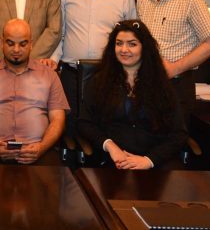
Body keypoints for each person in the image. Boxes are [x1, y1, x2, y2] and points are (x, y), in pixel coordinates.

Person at [48, 0, 137, 136]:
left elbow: (133, 40)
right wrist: (53, 60)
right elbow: (59, 32)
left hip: (109, 75)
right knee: (70, 126)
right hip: (72, 75)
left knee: (105, 126)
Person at [77, 20, 188, 169]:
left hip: (154, 163)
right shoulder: (98, 81)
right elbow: (85, 123)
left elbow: (178, 134)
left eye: (132, 44)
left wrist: (148, 160)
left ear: (144, 48)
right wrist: (110, 146)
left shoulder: (161, 84)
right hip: (113, 161)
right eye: (119, 43)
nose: (124, 49)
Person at [0, 19, 70, 165]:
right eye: (10, 43)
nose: (16, 50)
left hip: (38, 150)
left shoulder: (49, 76)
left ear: (31, 44)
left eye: (22, 44)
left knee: (55, 177)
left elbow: (58, 119)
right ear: (2, 43)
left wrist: (41, 147)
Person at [136, 0, 210, 122]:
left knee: (174, 135)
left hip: (177, 85)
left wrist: (175, 68)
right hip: (146, 84)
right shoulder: (142, 1)